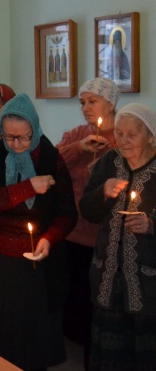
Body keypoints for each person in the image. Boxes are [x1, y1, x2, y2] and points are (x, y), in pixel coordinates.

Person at [0, 93, 76, 370]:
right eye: (8, 137)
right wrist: (28, 187)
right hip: (0, 262)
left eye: (23, 137)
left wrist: (48, 238)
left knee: (33, 340)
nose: (15, 144)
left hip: (39, 265)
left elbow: (67, 213)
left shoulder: (51, 157)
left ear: (35, 129)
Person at [79, 103, 156, 370]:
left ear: (150, 136)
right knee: (110, 357)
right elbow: (87, 210)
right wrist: (103, 192)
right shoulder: (109, 162)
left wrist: (151, 224)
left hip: (148, 287)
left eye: (131, 135)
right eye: (120, 133)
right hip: (108, 280)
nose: (123, 140)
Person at [55, 77, 119, 363]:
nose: (86, 108)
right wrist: (79, 148)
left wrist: (104, 169)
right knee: (73, 303)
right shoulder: (76, 135)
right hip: (72, 235)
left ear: (111, 103)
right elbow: (52, 165)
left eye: (93, 101)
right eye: (82, 103)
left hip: (104, 238)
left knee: (98, 307)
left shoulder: (123, 136)